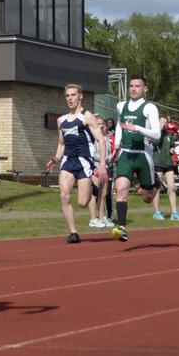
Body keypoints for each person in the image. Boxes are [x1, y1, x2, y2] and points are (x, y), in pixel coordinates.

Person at [45, 85, 108, 243]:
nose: (70, 98)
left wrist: (101, 166)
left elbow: (100, 140)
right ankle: (73, 232)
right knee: (64, 195)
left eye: (73, 95)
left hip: (84, 161)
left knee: (81, 203)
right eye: (67, 96)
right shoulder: (61, 120)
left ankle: (93, 188)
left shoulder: (87, 117)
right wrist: (56, 159)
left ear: (80, 96)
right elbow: (61, 144)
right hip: (68, 161)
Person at [111, 75, 161, 242]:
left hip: (143, 155)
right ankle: (122, 227)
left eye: (137, 86)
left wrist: (137, 128)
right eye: (131, 86)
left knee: (147, 198)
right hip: (126, 153)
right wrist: (116, 146)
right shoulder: (121, 106)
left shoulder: (150, 108)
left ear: (144, 89)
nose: (133, 89)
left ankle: (154, 183)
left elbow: (157, 134)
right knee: (121, 189)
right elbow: (120, 125)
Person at [148, 117, 179, 221]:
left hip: (168, 163)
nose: (164, 124)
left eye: (165, 122)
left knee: (172, 187)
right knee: (157, 187)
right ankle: (156, 212)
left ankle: (174, 212)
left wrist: (172, 149)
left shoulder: (169, 135)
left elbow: (171, 146)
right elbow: (153, 141)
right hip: (158, 162)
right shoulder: (155, 133)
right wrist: (158, 128)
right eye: (162, 122)